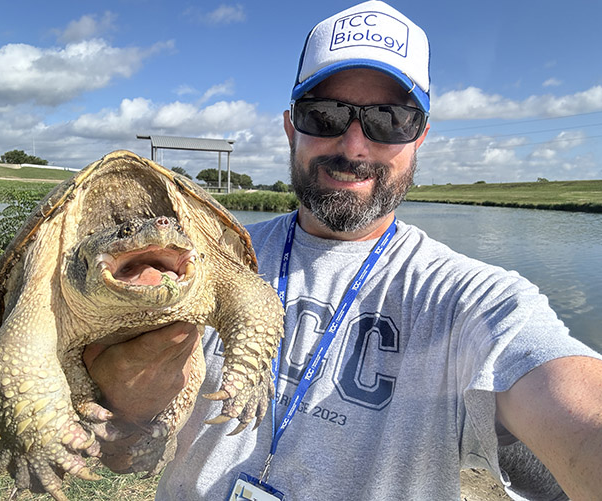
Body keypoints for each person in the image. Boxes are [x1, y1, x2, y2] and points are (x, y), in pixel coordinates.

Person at [84, 1, 602, 499]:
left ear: (418, 138)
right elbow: (121, 455)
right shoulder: (199, 264)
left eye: (390, 120)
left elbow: (570, 401)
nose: (354, 146)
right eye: (326, 114)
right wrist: (128, 414)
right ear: (292, 127)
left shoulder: (468, 299)